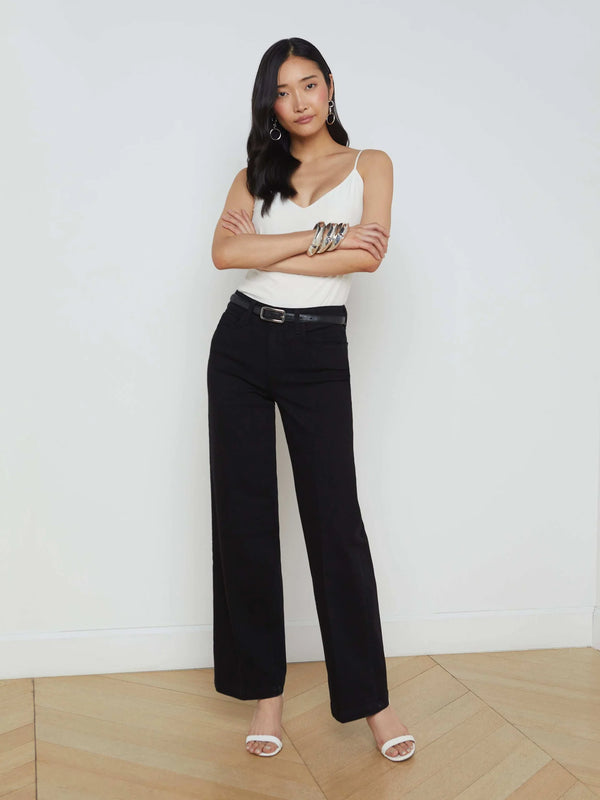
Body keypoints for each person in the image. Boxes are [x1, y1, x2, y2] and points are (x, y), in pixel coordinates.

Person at [207, 37, 416, 763]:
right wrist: (321, 236)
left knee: (335, 524)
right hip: (239, 345)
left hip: (317, 350)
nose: (297, 101)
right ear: (269, 102)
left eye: (309, 84)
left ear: (330, 87)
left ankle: (373, 704)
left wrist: (279, 246)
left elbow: (369, 254)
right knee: (244, 521)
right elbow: (225, 255)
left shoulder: (370, 165)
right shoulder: (253, 175)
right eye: (282, 90)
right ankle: (265, 695)